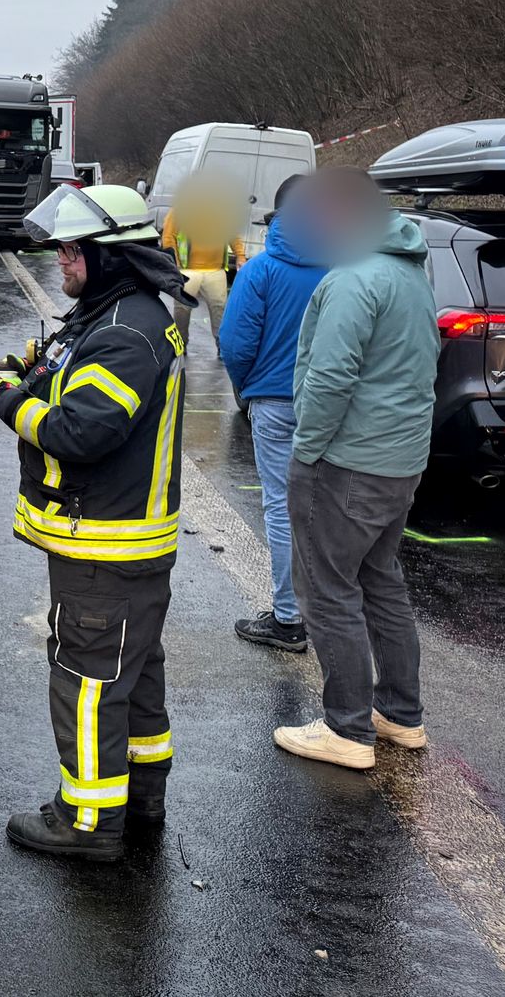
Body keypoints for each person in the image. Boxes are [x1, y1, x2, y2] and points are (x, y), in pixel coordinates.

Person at [0, 183, 192, 862]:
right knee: (134, 670)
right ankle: (141, 793)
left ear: (111, 256)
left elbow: (80, 431)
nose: (60, 258)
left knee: (88, 679)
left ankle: (89, 822)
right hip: (117, 540)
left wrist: (3, 398)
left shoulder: (126, 332)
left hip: (105, 542)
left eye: (71, 249)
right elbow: (72, 376)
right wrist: (28, 370)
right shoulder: (112, 315)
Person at [272, 168, 439, 771]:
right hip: (398, 463)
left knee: (328, 592)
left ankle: (347, 730)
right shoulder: (410, 273)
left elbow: (330, 376)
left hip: (344, 465)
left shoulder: (353, 280)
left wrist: (306, 452)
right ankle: (399, 714)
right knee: (381, 582)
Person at [216, 174, 322, 652]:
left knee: (281, 506)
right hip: (331, 404)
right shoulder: (344, 267)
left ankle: (287, 617)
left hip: (276, 402)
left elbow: (235, 344)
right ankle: (328, 612)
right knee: (327, 508)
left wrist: (247, 389)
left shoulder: (261, 271)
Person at [159, 170, 246, 354]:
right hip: (187, 270)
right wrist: (173, 264)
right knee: (182, 309)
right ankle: (181, 343)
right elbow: (168, 236)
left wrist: (240, 255)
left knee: (219, 309)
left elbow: (233, 236)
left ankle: (222, 346)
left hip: (215, 271)